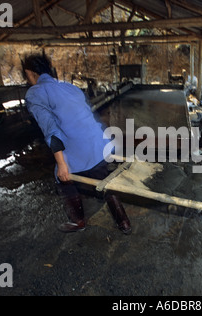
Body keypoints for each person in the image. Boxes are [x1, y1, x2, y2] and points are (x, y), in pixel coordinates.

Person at [23, 54, 131, 234]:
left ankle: (78, 221)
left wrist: (62, 165)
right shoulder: (70, 88)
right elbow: (86, 116)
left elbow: (51, 131)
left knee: (62, 178)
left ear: (30, 73)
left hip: (79, 149)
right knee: (104, 181)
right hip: (98, 143)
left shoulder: (35, 94)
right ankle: (124, 222)